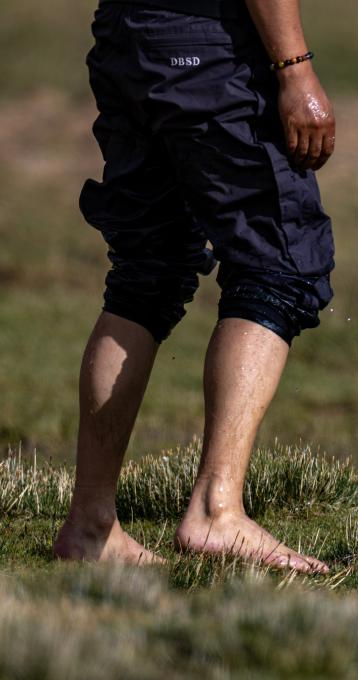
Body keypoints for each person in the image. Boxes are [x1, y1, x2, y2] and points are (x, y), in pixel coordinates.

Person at [53, 0, 336, 573]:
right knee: (277, 263)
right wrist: (295, 67)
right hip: (207, 40)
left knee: (146, 272)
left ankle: (89, 526)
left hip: (126, 35)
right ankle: (216, 510)